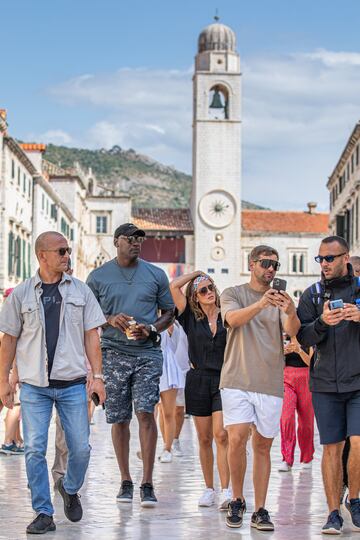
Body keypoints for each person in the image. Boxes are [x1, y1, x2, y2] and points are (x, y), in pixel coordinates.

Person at [0, 231, 106, 535]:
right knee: (34, 449)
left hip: (73, 384)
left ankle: (69, 488)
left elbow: (92, 337)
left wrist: (97, 378)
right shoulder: (20, 294)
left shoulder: (82, 291)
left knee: (81, 449)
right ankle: (43, 512)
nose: (66, 256)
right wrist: (4, 380)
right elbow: (8, 340)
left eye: (68, 251)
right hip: (34, 386)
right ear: (42, 255)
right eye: (61, 251)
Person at [86, 223, 174, 507]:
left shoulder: (156, 274)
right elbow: (87, 312)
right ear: (116, 242)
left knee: (146, 413)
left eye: (140, 239)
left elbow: (169, 311)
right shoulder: (99, 277)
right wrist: (109, 318)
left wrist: (152, 328)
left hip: (148, 353)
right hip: (113, 352)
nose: (136, 243)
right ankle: (125, 479)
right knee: (119, 418)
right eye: (129, 239)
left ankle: (147, 482)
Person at [220, 245, 300, 530]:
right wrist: (261, 304)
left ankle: (261, 509)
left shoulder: (280, 301)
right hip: (236, 378)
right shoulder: (233, 293)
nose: (271, 269)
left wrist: (289, 310)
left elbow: (292, 330)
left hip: (269, 380)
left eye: (275, 266)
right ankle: (237, 499)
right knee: (238, 437)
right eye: (266, 263)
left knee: (263, 446)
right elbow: (232, 320)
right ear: (252, 264)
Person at [297, 236, 360, 534]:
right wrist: (322, 322)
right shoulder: (311, 295)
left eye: (330, 258)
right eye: (320, 259)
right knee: (332, 448)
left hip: (359, 382)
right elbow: (303, 338)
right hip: (324, 384)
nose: (324, 264)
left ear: (345, 258)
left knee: (359, 442)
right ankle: (333, 512)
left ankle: (356, 499)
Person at [170, 270, 231, 510]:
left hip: (224, 380)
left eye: (211, 288)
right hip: (198, 379)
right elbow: (174, 286)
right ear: (195, 296)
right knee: (204, 438)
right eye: (203, 290)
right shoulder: (189, 317)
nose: (209, 293)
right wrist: (196, 273)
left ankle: (227, 489)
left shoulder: (227, 316)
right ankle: (209, 488)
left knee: (221, 435)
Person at [278, 335, 314, 472]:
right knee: (286, 418)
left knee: (306, 422)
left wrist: (299, 350)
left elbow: (312, 363)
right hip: (286, 378)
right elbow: (273, 361)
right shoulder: (282, 337)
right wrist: (283, 352)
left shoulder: (309, 337)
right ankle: (286, 458)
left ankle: (307, 457)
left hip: (306, 379)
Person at [340, 254, 360, 502]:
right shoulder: (334, 301)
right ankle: (347, 486)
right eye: (354, 271)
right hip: (343, 379)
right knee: (347, 440)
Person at [158, 323, 185, 463]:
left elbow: (174, 345)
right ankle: (159, 446)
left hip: (169, 367)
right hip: (149, 362)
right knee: (154, 411)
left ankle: (168, 447)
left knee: (169, 411)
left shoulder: (174, 324)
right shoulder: (146, 316)